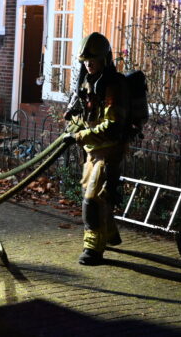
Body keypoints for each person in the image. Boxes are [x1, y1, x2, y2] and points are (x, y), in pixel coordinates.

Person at [64, 32, 128, 266]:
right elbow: (82, 116)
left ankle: (93, 248)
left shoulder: (114, 86)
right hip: (92, 150)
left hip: (109, 150)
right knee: (92, 195)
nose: (89, 65)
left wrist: (80, 134)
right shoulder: (87, 83)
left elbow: (112, 125)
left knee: (92, 199)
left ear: (105, 59)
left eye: (93, 60)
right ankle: (110, 234)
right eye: (85, 61)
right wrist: (73, 125)